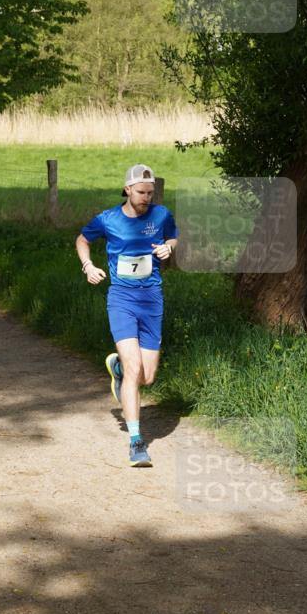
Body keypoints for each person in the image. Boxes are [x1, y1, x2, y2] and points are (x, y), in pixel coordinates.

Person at [75, 164, 179, 468]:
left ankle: (118, 368)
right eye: (141, 192)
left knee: (147, 376)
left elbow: (173, 237)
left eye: (150, 193)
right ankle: (136, 441)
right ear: (128, 189)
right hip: (121, 299)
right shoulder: (108, 219)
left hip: (152, 299)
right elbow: (82, 239)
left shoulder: (161, 215)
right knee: (136, 369)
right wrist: (88, 266)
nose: (147, 198)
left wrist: (169, 248)